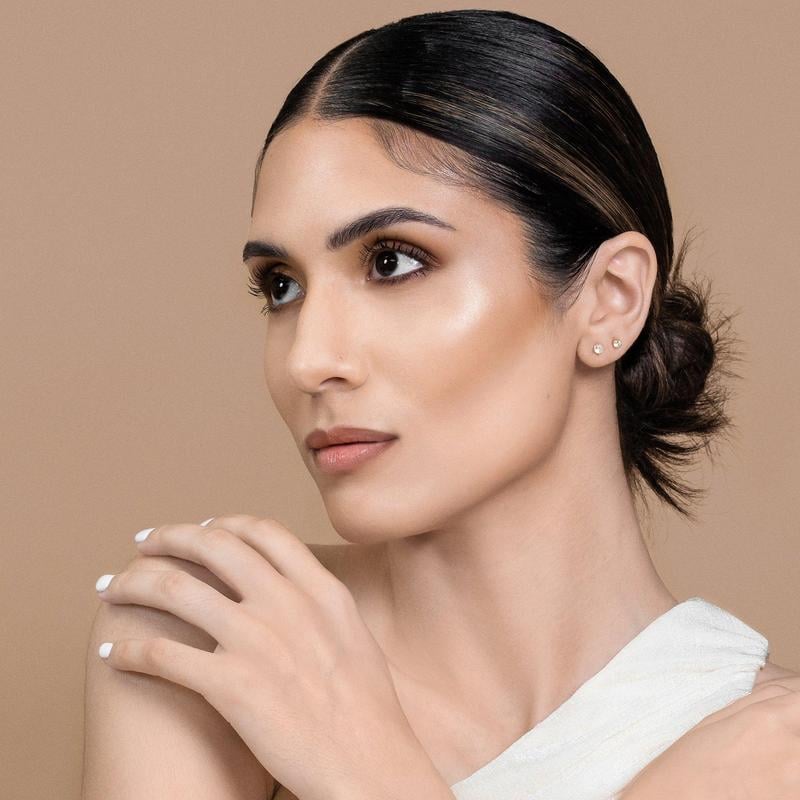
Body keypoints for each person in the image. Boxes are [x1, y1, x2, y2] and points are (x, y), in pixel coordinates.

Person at [82, 10, 798, 800]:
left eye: (392, 262)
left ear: (610, 300)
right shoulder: (214, 634)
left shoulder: (768, 750)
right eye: (281, 286)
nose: (309, 359)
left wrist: (365, 772)